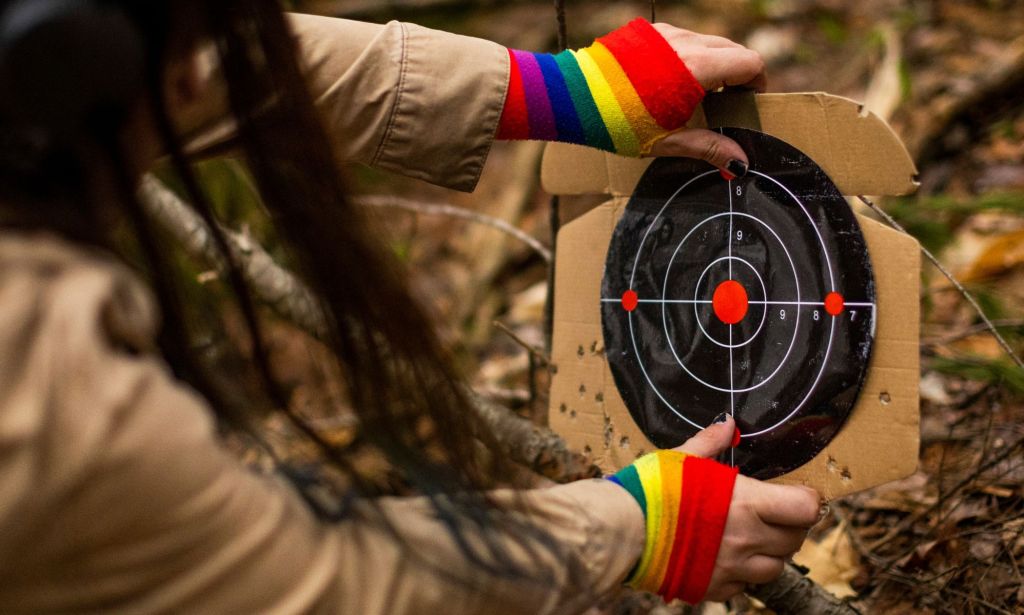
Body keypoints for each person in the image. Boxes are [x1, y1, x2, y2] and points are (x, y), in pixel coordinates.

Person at [0, 1, 821, 612]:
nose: (192, 79)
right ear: (65, 68)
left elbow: (222, 69)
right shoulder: (43, 379)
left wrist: (561, 90)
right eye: (173, 51)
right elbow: (321, 587)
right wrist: (633, 526)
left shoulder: (42, 86)